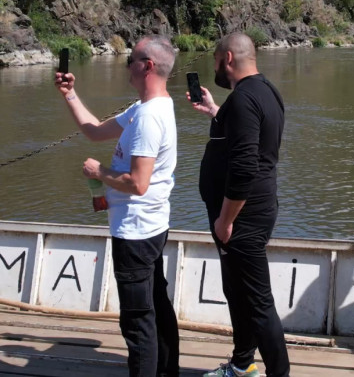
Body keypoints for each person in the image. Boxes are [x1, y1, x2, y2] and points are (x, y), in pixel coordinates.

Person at [55, 35, 180, 377]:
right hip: (150, 228)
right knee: (156, 308)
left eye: (132, 59)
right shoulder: (145, 109)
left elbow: (138, 183)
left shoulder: (148, 119)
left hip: (137, 233)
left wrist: (100, 172)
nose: (127, 64)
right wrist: (69, 94)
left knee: (138, 324)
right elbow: (94, 131)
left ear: (148, 66)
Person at [187, 32, 290, 377]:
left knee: (258, 303)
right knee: (239, 294)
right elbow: (253, 141)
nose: (214, 67)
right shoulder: (265, 92)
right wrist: (216, 112)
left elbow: (246, 166)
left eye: (216, 60)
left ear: (227, 58)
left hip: (241, 218)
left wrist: (226, 220)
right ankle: (242, 364)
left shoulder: (245, 99)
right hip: (254, 211)